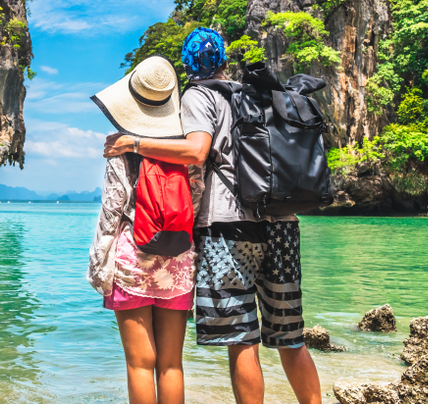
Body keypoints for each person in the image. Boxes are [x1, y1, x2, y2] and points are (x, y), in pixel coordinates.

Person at [103, 28, 322, 404]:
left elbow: (197, 150)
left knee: (241, 338)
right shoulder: (257, 92)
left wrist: (134, 143)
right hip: (282, 222)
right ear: (223, 60)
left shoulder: (199, 95)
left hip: (229, 228)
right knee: (290, 336)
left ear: (187, 66)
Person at [88, 55, 196, 404]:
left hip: (133, 256)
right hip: (178, 259)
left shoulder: (121, 145)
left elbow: (112, 208)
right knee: (171, 364)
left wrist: (98, 265)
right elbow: (197, 196)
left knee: (139, 364)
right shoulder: (185, 146)